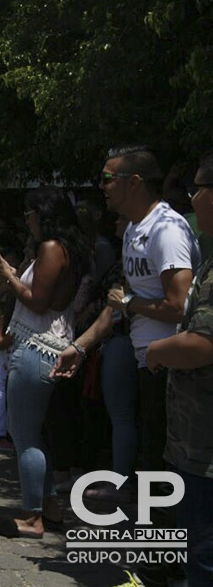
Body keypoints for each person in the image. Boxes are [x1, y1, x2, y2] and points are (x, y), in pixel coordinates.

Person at [54, 146, 200, 483]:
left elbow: (179, 305)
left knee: (164, 458)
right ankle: (150, 522)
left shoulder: (166, 230)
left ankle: (164, 529)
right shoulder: (135, 229)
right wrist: (80, 347)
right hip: (146, 359)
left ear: (133, 182)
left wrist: (129, 304)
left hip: (170, 365)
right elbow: (117, 302)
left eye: (108, 179)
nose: (102, 187)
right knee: (150, 450)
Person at [0, 187, 89, 539]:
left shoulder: (50, 248)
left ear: (43, 215)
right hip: (48, 346)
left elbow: (38, 301)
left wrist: (8, 276)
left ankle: (32, 517)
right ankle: (50, 504)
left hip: (36, 348)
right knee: (34, 432)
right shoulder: (66, 249)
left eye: (30, 213)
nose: (27, 220)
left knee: (24, 435)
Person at [145, 150, 213, 587]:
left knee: (203, 559)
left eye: (197, 189)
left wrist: (157, 350)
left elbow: (203, 344)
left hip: (205, 451)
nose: (191, 200)